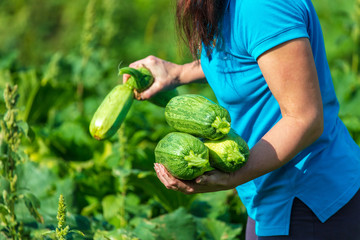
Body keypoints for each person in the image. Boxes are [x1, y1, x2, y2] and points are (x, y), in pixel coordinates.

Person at [123, 0, 360, 239]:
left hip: (308, 202)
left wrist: (230, 178)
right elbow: (245, 55)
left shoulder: (262, 7)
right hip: (266, 195)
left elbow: (304, 119)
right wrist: (178, 73)